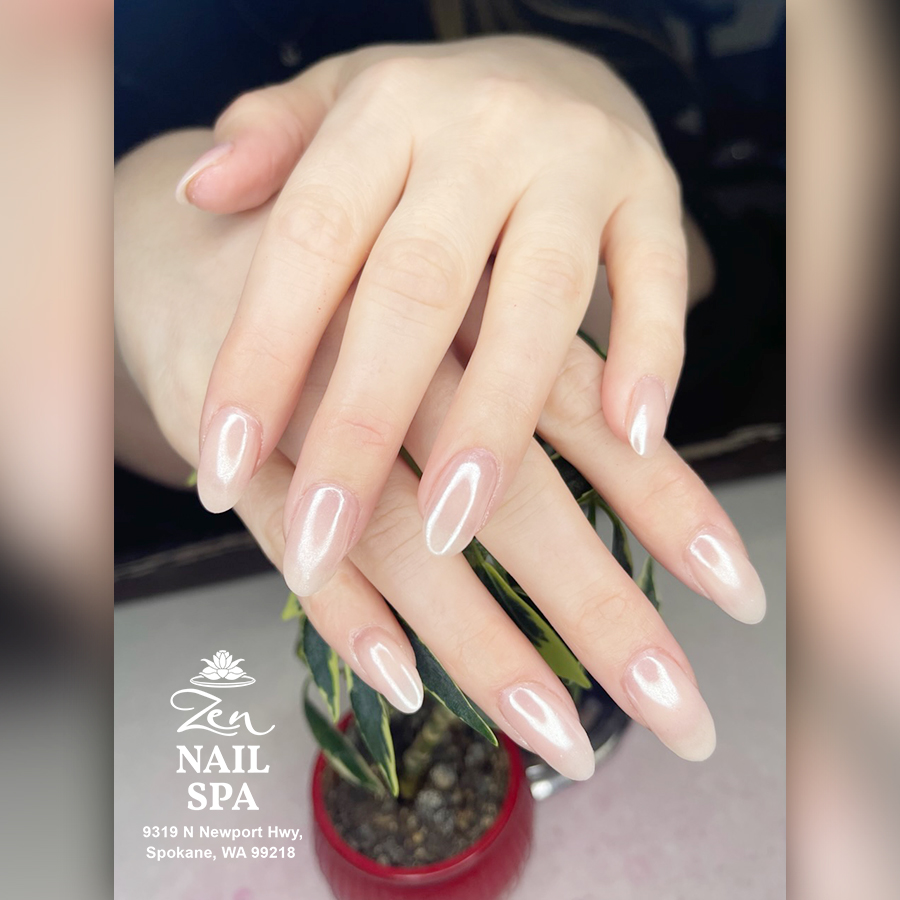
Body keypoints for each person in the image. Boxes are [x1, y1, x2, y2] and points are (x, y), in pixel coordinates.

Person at [116, 3, 777, 780]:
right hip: (169, 610)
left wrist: (590, 109)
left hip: (733, 432)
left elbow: (729, 272)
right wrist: (126, 236)